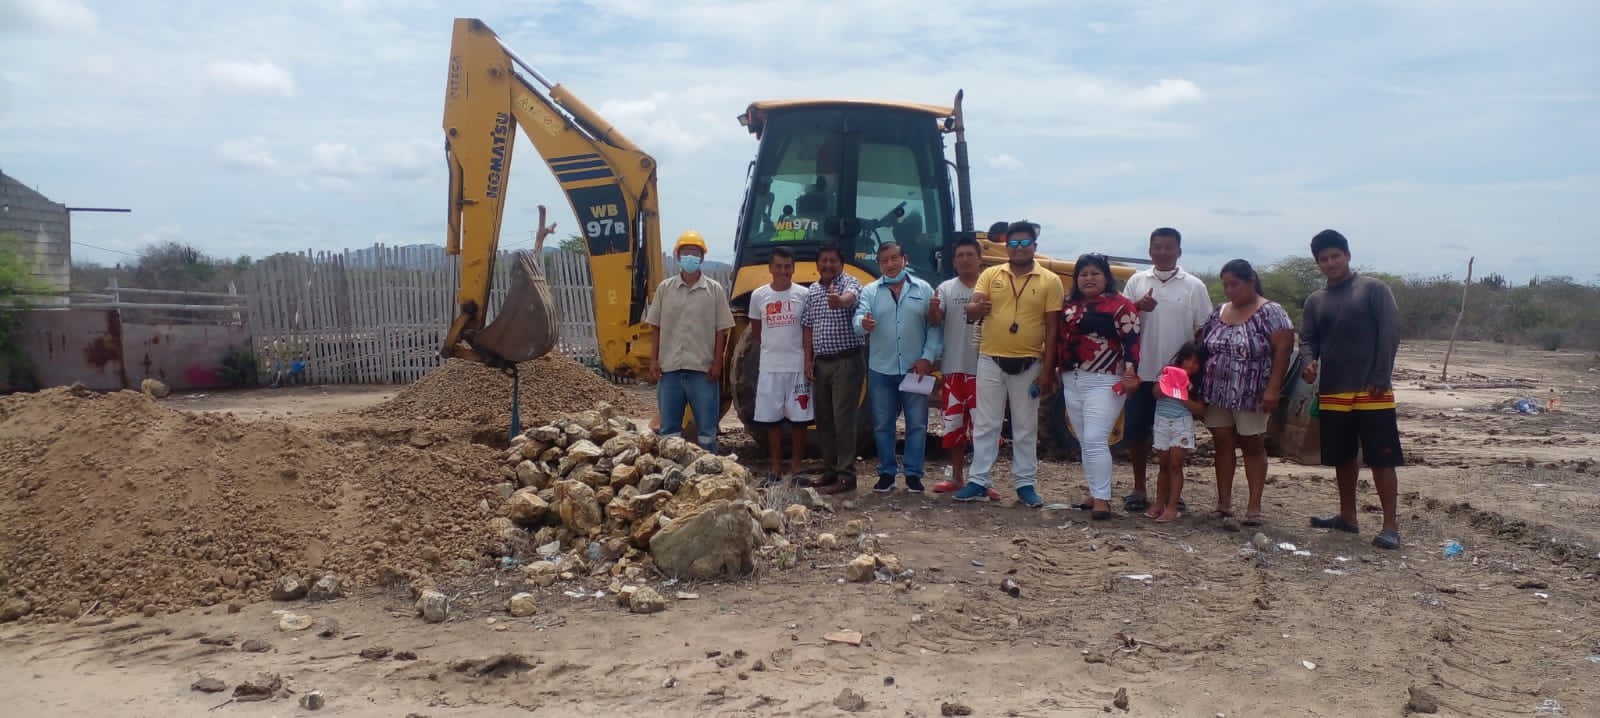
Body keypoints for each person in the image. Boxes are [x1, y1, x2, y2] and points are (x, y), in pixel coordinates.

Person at [1299, 229, 1405, 550]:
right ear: (1318, 263)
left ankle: (1390, 526)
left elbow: (1390, 334)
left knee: (1381, 458)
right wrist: (1308, 362)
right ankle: (1348, 517)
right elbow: (1308, 339)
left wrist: (1380, 375)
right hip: (1333, 391)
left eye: (1335, 256)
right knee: (1342, 458)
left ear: (1347, 255)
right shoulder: (1315, 301)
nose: (1331, 263)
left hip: (1373, 391)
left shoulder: (1374, 289)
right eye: (1324, 259)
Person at [954, 220, 1063, 507]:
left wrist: (1048, 370)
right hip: (991, 360)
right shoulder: (991, 274)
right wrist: (974, 308)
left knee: (1025, 426)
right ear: (1006, 247)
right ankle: (978, 481)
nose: (1019, 248)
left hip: (1029, 363)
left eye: (1025, 242)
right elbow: (973, 308)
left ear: (1034, 246)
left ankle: (1025, 484)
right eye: (1013, 243)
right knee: (985, 424)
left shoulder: (1050, 281)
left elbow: (1052, 328)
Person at [1119, 227, 1213, 514]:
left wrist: (1195, 371)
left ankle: (1173, 493)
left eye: (1168, 247)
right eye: (1157, 247)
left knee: (1174, 440)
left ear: (1178, 251)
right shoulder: (1136, 281)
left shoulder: (1194, 286)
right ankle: (1139, 489)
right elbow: (1120, 320)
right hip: (1142, 372)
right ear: (1150, 250)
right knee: (1137, 434)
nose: (1162, 252)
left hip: (1177, 380)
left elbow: (1205, 329)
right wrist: (1137, 307)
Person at [1199, 258, 1294, 527]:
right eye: (1226, 285)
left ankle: (1254, 508)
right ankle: (1223, 503)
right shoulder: (1219, 311)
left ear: (1251, 281)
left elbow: (1283, 350)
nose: (1230, 290)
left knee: (1252, 444)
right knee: (1222, 443)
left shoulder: (1271, 312)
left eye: (1235, 284)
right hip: (1217, 391)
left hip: (1252, 391)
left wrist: (1273, 389)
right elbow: (1203, 343)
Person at [1056, 253, 1141, 519]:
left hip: (1106, 379)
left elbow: (1132, 342)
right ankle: (1095, 491)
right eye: (1083, 274)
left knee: (1095, 438)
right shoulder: (1068, 304)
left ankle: (1103, 499)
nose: (1089, 278)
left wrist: (1131, 374)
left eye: (1095, 273)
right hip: (1072, 378)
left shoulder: (1121, 305)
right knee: (1084, 439)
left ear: (1106, 277)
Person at [853, 242, 942, 492]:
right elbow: (858, 318)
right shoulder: (870, 291)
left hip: (915, 369)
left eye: (894, 258)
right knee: (883, 424)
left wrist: (927, 358)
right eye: (884, 260)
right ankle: (887, 473)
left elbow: (934, 328)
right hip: (881, 369)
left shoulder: (923, 289)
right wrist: (862, 324)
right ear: (879, 264)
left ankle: (913, 474)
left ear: (905, 259)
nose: (890, 264)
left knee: (917, 424)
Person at [645, 230, 736, 452]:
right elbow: (656, 327)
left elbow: (721, 331)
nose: (690, 257)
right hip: (669, 370)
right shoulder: (665, 289)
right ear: (678, 256)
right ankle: (671, 467)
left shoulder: (714, 291)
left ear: (702, 257)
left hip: (702, 372)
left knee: (707, 430)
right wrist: (654, 360)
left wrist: (717, 364)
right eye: (686, 252)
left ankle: (709, 467)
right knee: (669, 430)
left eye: (695, 252)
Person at [927, 233, 1001, 501]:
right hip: (954, 368)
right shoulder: (946, 288)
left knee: (984, 428)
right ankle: (956, 477)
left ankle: (982, 479)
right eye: (960, 256)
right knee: (954, 427)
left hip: (987, 369)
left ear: (980, 259)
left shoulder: (993, 287)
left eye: (970, 255)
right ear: (954, 261)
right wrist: (933, 309)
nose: (965, 259)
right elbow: (935, 321)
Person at [801, 242, 866, 494]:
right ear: (817, 264)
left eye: (833, 261)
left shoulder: (850, 283)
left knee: (843, 419)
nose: (828, 265)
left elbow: (851, 298)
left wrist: (839, 301)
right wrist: (808, 360)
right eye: (824, 260)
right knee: (824, 420)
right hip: (822, 363)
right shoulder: (812, 291)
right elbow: (808, 327)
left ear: (841, 263)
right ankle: (829, 470)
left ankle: (846, 475)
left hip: (846, 361)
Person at [749, 246, 812, 485]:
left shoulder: (804, 295)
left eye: (787, 267)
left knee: (799, 420)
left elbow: (808, 330)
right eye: (778, 267)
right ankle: (775, 468)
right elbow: (757, 332)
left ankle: (796, 468)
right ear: (770, 268)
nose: (783, 271)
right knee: (772, 420)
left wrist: (807, 360)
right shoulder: (759, 296)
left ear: (793, 268)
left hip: (797, 366)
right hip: (770, 366)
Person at [1144, 341, 1208, 523]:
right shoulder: (1168, 372)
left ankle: (1172, 506)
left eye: (1196, 362)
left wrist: (1182, 395)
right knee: (1163, 465)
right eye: (1188, 360)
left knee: (1175, 465)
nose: (1191, 365)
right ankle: (1159, 503)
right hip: (1162, 423)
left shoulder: (1198, 383)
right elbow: (1156, 393)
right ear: (1181, 359)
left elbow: (1200, 410)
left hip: (1181, 424)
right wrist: (1170, 381)